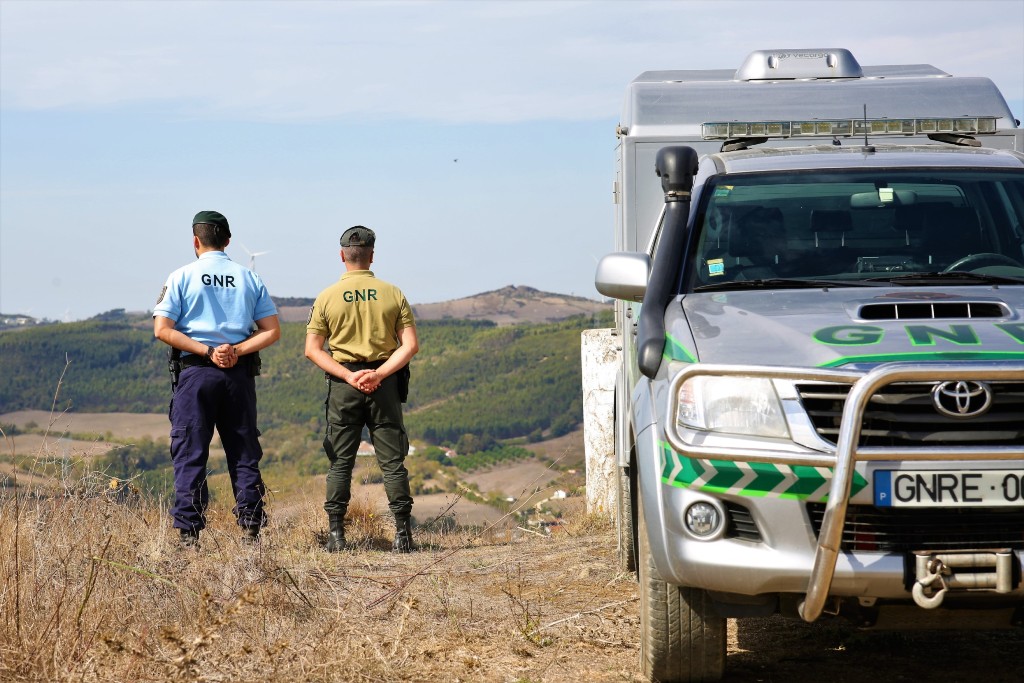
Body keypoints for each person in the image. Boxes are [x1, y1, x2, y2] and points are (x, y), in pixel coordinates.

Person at [153, 210, 281, 548]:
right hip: (237, 376)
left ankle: (188, 533)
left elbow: (162, 329)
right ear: (228, 241)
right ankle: (251, 528)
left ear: (196, 241)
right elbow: (272, 331)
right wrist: (235, 351)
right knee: (243, 450)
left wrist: (206, 351)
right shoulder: (249, 278)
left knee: (190, 450)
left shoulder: (181, 276)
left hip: (196, 373)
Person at [304, 225, 419, 553]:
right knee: (393, 462)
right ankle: (403, 535)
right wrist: (379, 374)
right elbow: (409, 346)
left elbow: (313, 350)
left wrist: (350, 376)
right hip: (384, 383)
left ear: (342, 256)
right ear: (372, 255)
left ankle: (337, 535)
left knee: (340, 462)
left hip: (344, 386)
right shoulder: (393, 293)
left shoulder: (326, 297)